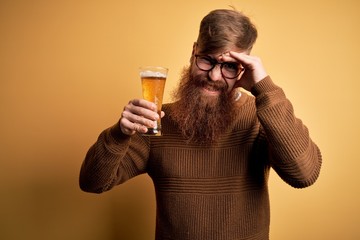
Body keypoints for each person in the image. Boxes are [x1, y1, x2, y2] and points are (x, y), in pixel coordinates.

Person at [79, 9, 322, 240]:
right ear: (193, 51)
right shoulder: (157, 121)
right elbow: (93, 183)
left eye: (229, 66)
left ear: (244, 67)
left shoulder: (262, 116)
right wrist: (119, 134)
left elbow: (304, 174)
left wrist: (264, 87)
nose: (214, 76)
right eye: (206, 59)